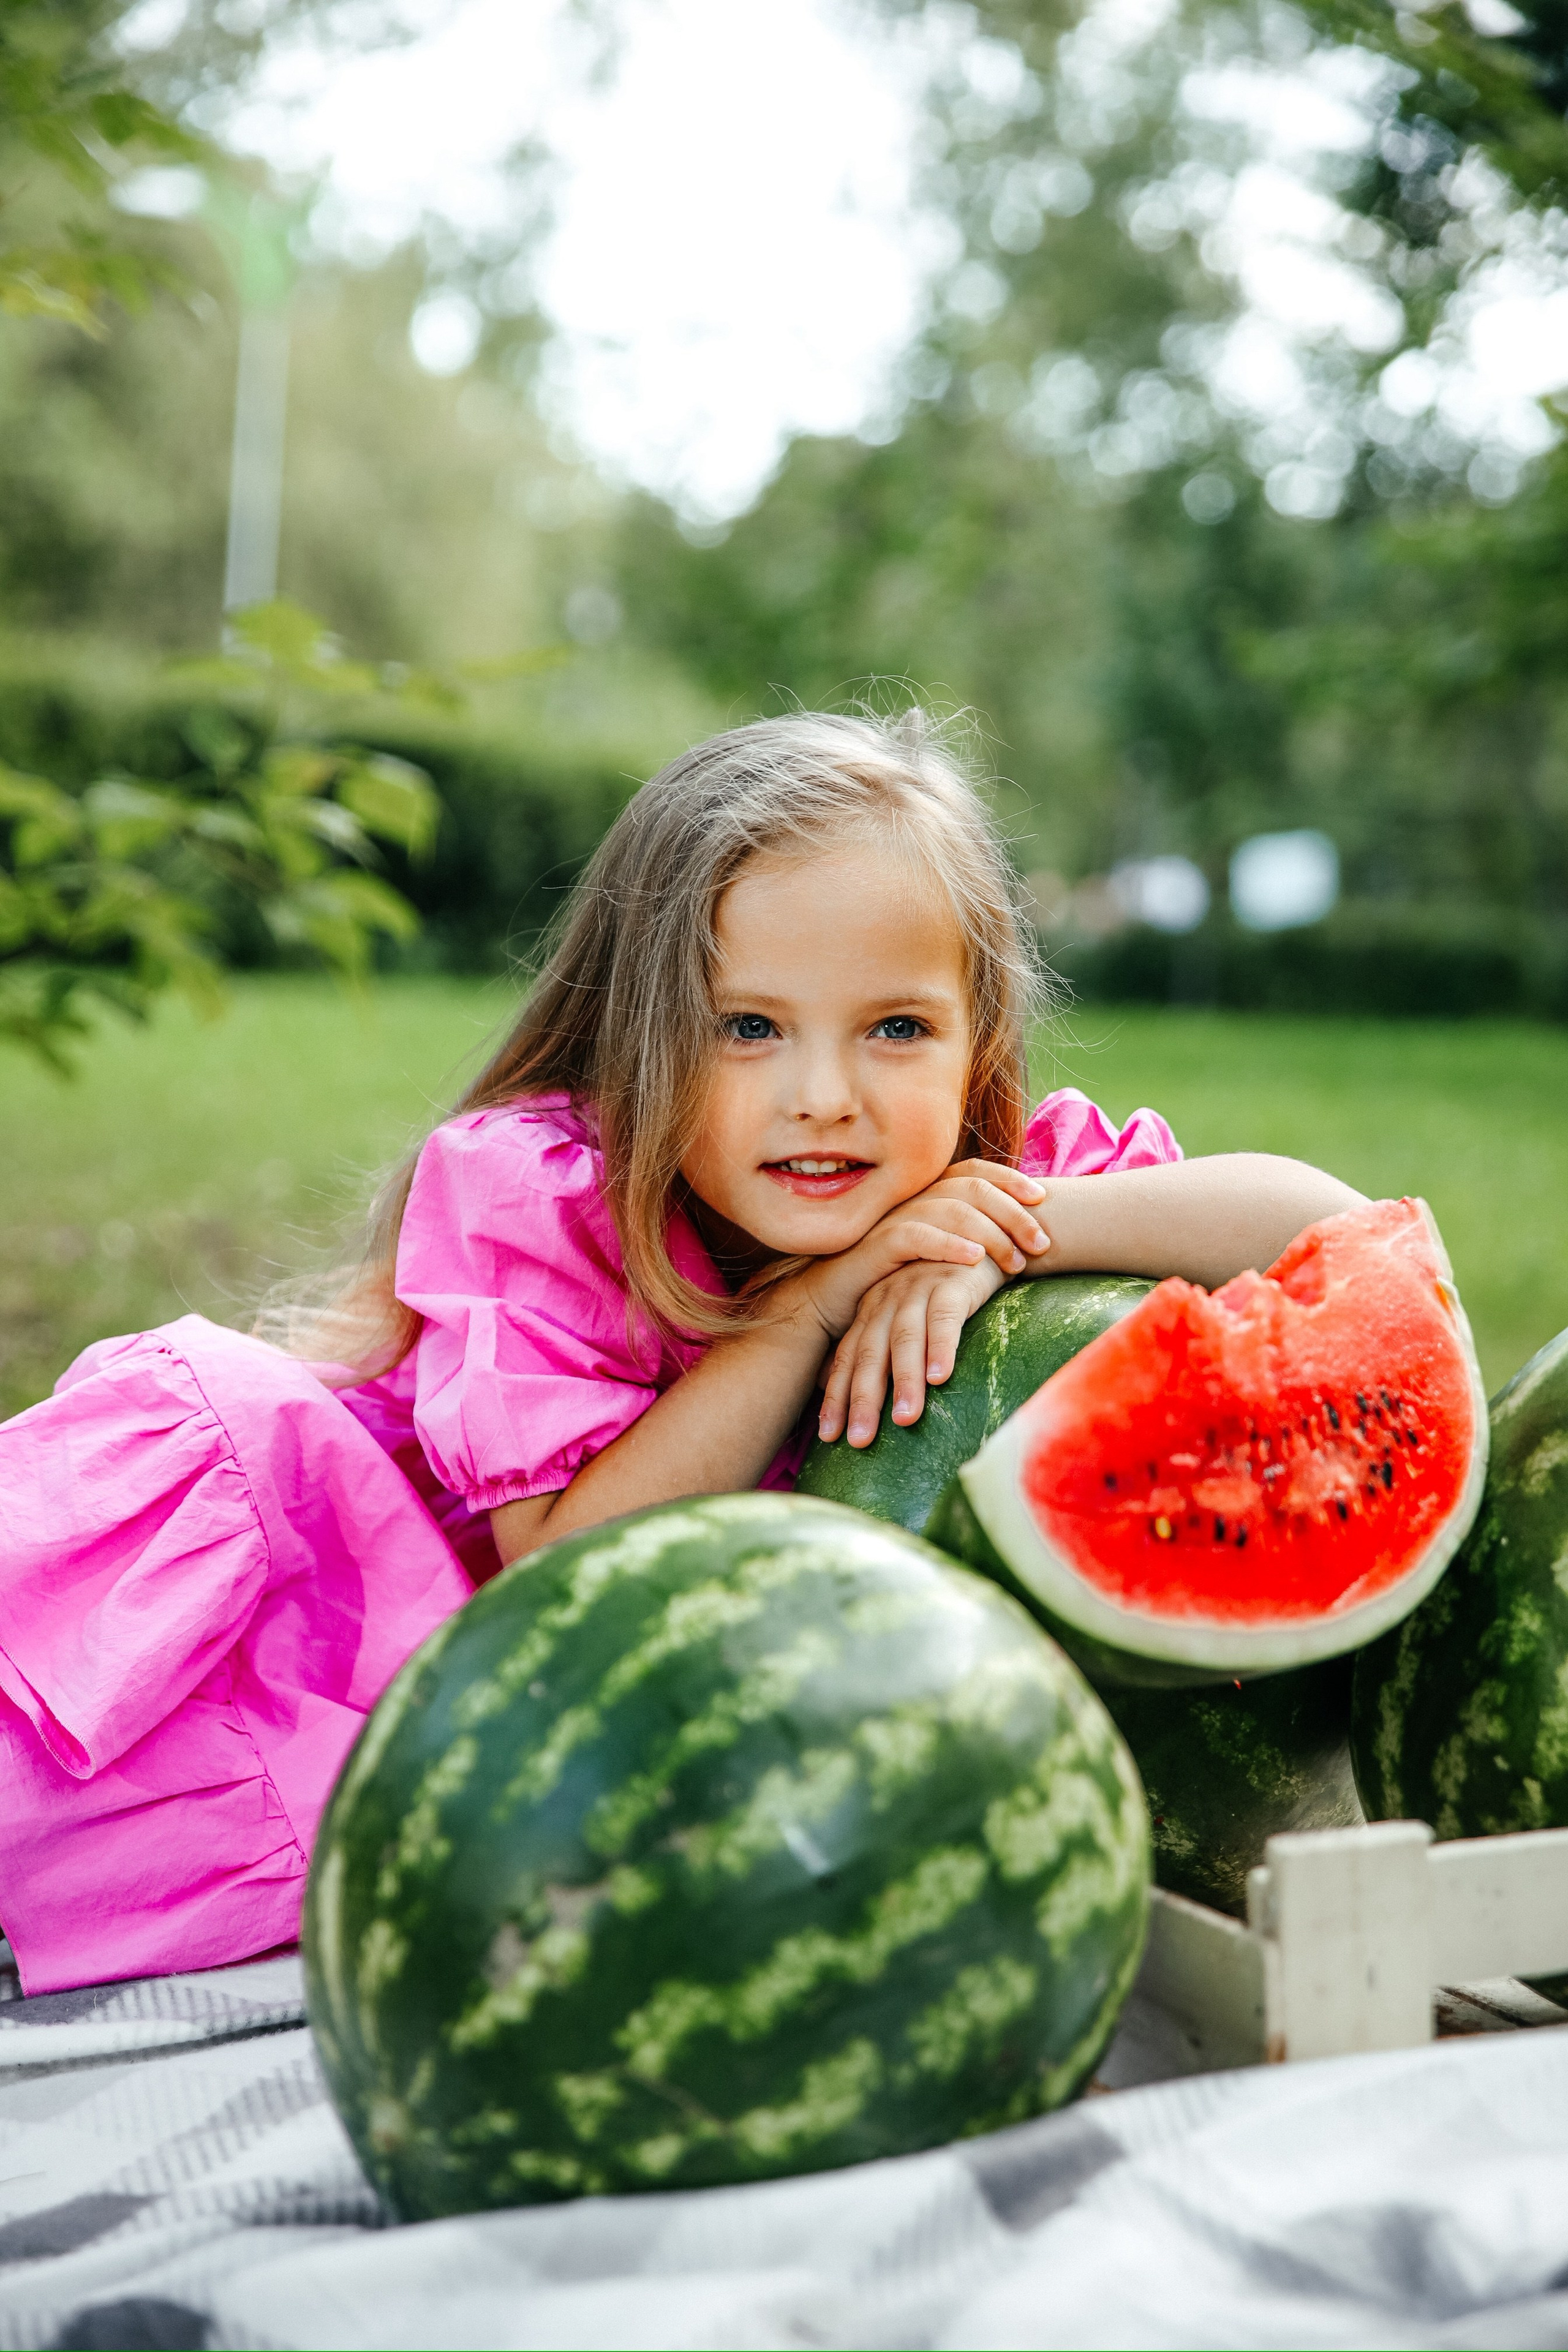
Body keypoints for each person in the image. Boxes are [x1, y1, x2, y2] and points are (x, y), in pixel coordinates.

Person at [0, 710, 1362, 1993]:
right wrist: (810, 1308)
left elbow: (1335, 1231)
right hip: (330, 1609)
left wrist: (1011, 1232)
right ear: (637, 1035)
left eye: (896, 1029)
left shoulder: (985, 1176)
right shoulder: (547, 1192)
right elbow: (566, 1579)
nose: (822, 1096)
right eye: (747, 1028)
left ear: (977, 1040)